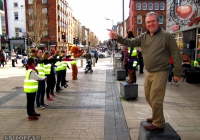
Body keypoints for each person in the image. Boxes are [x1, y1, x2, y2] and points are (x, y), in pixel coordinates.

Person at [108, 11, 183, 131]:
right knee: (148, 96)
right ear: (145, 23)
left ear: (158, 22)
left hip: (161, 71)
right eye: (148, 22)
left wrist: (178, 72)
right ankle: (156, 116)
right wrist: (117, 37)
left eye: (153, 21)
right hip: (149, 71)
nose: (151, 24)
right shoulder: (144, 37)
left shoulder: (166, 36)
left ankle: (158, 123)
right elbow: (130, 42)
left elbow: (175, 53)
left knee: (156, 98)